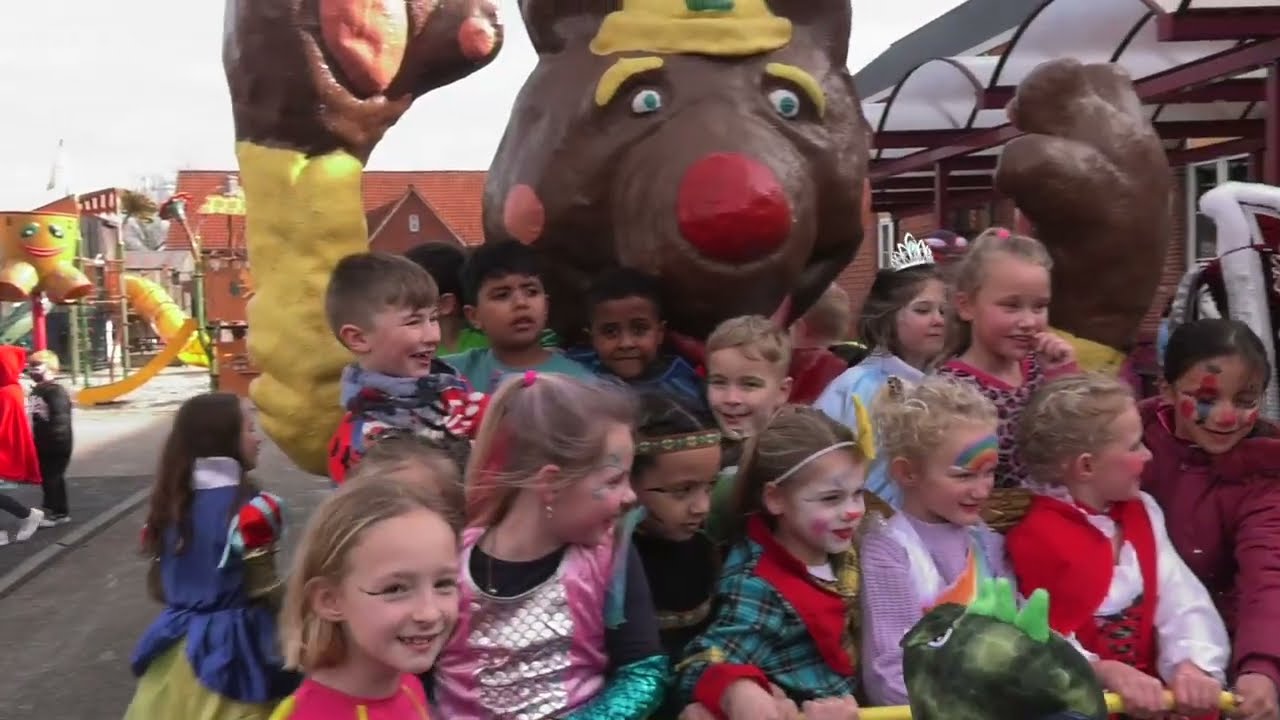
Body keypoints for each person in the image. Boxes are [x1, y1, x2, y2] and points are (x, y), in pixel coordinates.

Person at [430, 372, 667, 719]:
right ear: (552, 483)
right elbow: (408, 671)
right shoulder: (446, 562)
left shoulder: (610, 556)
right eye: (614, 480)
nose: (631, 496)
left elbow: (643, 673)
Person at [1008, 374, 1229, 718]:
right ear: (1086, 466)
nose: (1148, 455)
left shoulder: (1143, 511)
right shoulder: (1034, 536)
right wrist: (1103, 671)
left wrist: (1190, 665)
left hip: (1154, 704)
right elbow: (1034, 637)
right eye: (1134, 446)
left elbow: (1181, 599)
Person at [674, 406, 867, 720]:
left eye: (858, 493)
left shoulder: (835, 545)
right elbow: (700, 664)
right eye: (831, 498)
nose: (853, 511)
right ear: (775, 499)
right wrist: (739, 691)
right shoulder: (758, 586)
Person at [1139, 319, 1280, 720]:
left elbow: (1268, 573)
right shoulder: (1129, 442)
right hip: (1128, 647)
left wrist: (1261, 668)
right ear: (1165, 390)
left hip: (1222, 657)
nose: (1225, 417)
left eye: (1245, 400)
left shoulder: (1266, 473)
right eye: (1206, 398)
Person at [124, 393, 296, 720]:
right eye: (249, 428)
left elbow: (159, 587)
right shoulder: (255, 511)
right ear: (224, 439)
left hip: (175, 642)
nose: (258, 438)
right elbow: (266, 588)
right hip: (235, 647)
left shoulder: (168, 505)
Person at [273, 439, 464, 718]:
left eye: (444, 583)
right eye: (396, 588)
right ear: (330, 599)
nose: (430, 612)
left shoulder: (407, 685)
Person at [859, 375, 1010, 706]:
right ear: (907, 472)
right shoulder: (889, 548)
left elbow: (1023, 629)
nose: (982, 490)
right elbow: (889, 673)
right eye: (964, 475)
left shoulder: (986, 540)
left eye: (989, 472)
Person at [324, 251, 487, 484]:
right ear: (358, 338)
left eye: (433, 318)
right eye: (413, 322)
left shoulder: (453, 393)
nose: (433, 336)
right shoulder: (362, 442)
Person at [936, 227, 1078, 491]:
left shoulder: (1043, 369)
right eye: (1011, 306)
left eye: (1039, 307)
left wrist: (1063, 381)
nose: (1028, 322)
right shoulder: (949, 392)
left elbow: (1081, 448)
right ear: (966, 306)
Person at [815, 234, 947, 507]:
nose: (938, 320)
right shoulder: (855, 387)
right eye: (923, 310)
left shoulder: (947, 386)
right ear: (887, 317)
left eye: (943, 311)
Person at [629, 391, 722, 661]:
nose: (702, 507)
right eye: (682, 490)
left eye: (710, 486)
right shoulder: (606, 568)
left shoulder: (707, 551)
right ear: (626, 482)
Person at [442, 240, 593, 393]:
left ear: (546, 306)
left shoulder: (581, 383)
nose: (521, 303)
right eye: (502, 295)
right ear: (474, 316)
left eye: (531, 292)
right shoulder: (449, 376)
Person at [702, 315, 802, 543]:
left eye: (749, 384)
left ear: (782, 391)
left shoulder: (794, 459)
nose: (731, 398)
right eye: (718, 382)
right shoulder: (702, 451)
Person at [568, 267, 704, 407]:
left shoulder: (682, 388)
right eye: (610, 331)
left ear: (660, 333)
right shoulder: (573, 371)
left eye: (639, 330)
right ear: (592, 338)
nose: (626, 343)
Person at [0, 344, 42, 543]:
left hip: (4, 450)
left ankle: (26, 516)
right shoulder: (10, 389)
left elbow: (6, 426)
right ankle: (27, 515)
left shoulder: (7, 392)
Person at [26, 349, 72, 525]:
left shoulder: (55, 391)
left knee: (53, 476)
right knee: (48, 476)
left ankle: (58, 511)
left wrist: (55, 440)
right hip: (42, 441)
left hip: (56, 443)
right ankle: (53, 507)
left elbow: (61, 419)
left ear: (51, 368)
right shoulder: (38, 390)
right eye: (30, 366)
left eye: (37, 365)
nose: (32, 369)